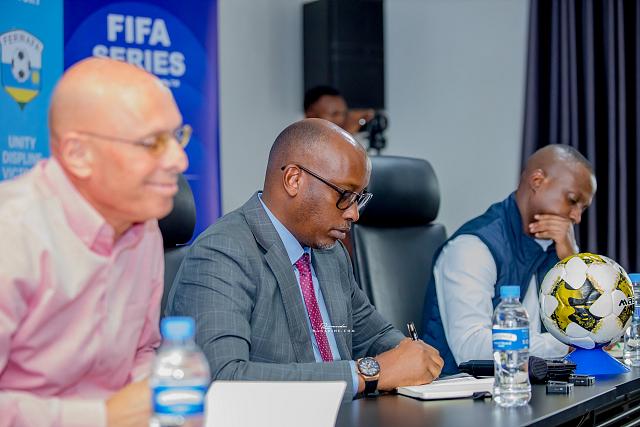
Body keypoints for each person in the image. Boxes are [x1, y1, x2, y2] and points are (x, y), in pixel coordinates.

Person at [167, 118, 443, 401]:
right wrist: (366, 374)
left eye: (359, 198)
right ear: (293, 180)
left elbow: (371, 334)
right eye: (345, 195)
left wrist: (413, 357)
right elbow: (223, 378)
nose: (354, 214)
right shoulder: (223, 251)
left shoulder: (330, 252)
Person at [0, 57, 189, 427]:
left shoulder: (144, 227)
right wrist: (101, 417)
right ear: (78, 155)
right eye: (152, 142)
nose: (179, 160)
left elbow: (142, 351)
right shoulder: (11, 234)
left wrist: (152, 399)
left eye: (177, 136)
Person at [422, 145, 597, 374]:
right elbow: (471, 347)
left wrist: (572, 260)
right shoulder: (472, 247)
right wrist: (567, 344)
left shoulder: (560, 247)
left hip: (531, 383)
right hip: (468, 390)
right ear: (537, 181)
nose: (577, 217)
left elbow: (594, 323)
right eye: (572, 200)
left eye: (583, 208)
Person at [304, 85, 374, 135]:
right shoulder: (301, 144)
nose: (341, 119)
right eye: (334, 114)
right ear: (311, 115)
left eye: (344, 114)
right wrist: (347, 136)